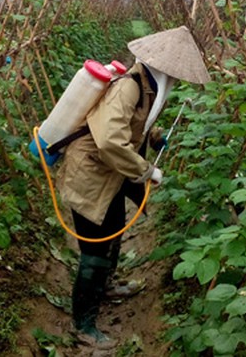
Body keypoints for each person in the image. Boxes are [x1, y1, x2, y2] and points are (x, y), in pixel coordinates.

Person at [56, 26, 210, 345]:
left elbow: (135, 123)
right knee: (95, 246)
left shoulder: (148, 87)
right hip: (91, 173)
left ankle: (106, 286)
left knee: (114, 225)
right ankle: (83, 325)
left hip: (109, 174)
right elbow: (110, 140)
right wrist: (146, 171)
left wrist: (153, 137)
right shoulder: (129, 87)